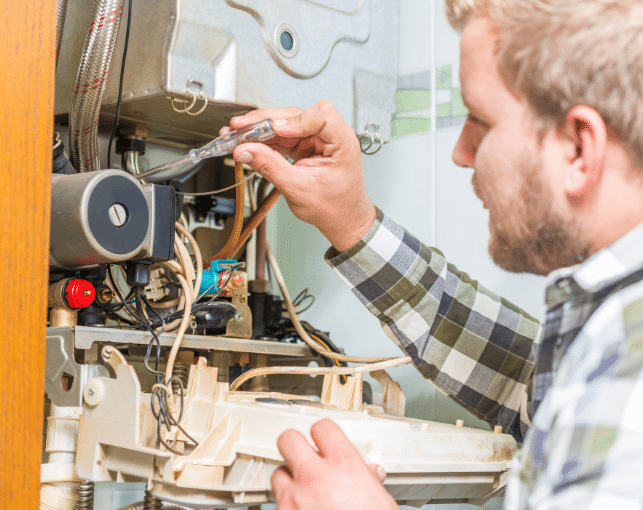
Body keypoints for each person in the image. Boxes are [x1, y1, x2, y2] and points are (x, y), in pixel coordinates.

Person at [223, 0, 643, 508]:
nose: (461, 151)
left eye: (480, 120)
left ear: (579, 149)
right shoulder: (606, 327)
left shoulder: (629, 368)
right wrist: (353, 221)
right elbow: (522, 383)